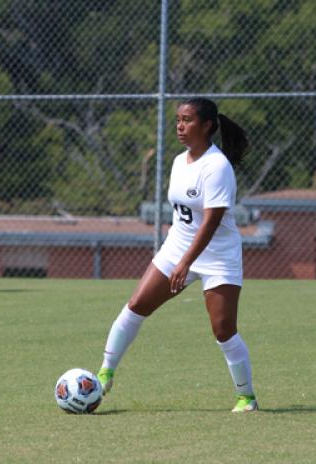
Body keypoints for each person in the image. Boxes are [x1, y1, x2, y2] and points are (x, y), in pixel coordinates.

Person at [97, 97, 257, 413]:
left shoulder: (217, 166)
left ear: (207, 125)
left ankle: (246, 397)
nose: (180, 127)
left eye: (187, 120)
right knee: (136, 305)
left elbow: (211, 221)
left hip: (218, 255)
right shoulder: (177, 162)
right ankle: (104, 374)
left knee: (223, 330)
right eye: (177, 120)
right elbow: (183, 214)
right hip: (178, 249)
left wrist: (186, 262)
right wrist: (175, 254)